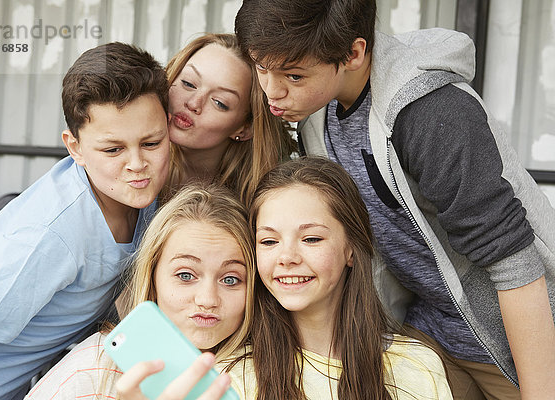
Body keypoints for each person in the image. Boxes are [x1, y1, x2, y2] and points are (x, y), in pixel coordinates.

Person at [234, 1, 555, 399]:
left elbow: (514, 262)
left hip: (518, 342)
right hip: (428, 335)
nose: (272, 90)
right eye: (261, 68)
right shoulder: (318, 109)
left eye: (294, 75)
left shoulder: (430, 113)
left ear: (353, 53)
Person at [0, 42, 170, 399]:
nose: (136, 164)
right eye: (112, 149)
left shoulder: (139, 198)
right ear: (75, 148)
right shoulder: (45, 235)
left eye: (151, 142)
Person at [225, 157, 451, 399]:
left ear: (351, 249)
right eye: (269, 241)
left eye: (311, 239)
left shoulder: (418, 367)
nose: (287, 257)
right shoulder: (231, 379)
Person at [25, 184, 254, 399]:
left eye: (231, 279)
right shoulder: (93, 367)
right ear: (152, 277)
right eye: (185, 275)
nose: (207, 299)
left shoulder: (267, 372)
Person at [163, 33, 296, 205]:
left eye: (219, 102)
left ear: (245, 128)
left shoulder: (267, 201)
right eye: (188, 83)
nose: (194, 103)